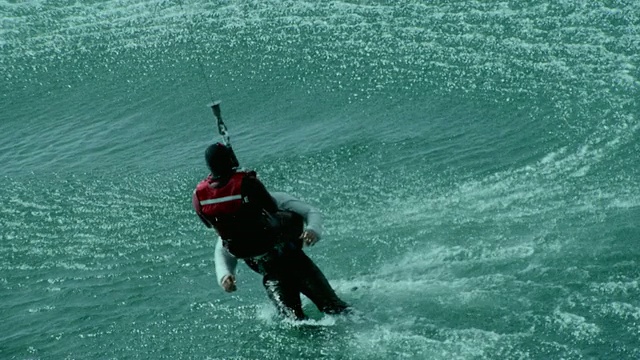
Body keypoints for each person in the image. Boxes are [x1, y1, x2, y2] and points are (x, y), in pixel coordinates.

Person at [192, 142, 349, 320]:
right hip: (272, 275)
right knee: (294, 321)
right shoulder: (233, 229)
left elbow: (311, 212)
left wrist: (313, 230)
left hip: (298, 265)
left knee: (335, 309)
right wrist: (225, 276)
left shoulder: (278, 200)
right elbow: (222, 249)